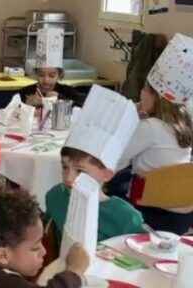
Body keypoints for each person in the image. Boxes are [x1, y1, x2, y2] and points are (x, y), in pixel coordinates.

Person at [45, 86, 144, 245]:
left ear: (107, 174)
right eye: (65, 167)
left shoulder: (126, 217)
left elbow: (140, 253)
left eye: (80, 171)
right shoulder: (55, 196)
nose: (69, 178)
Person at [116, 33, 193, 234]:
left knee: (116, 179)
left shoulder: (150, 127)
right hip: (183, 214)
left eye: (143, 89)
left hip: (149, 211)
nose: (140, 93)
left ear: (154, 96)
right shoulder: (184, 121)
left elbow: (117, 160)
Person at [18, 27, 84, 108]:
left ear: (59, 75)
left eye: (52, 76)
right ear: (35, 74)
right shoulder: (26, 92)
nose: (46, 80)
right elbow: (10, 111)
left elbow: (84, 104)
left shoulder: (66, 91)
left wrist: (60, 98)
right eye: (41, 75)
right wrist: (25, 105)